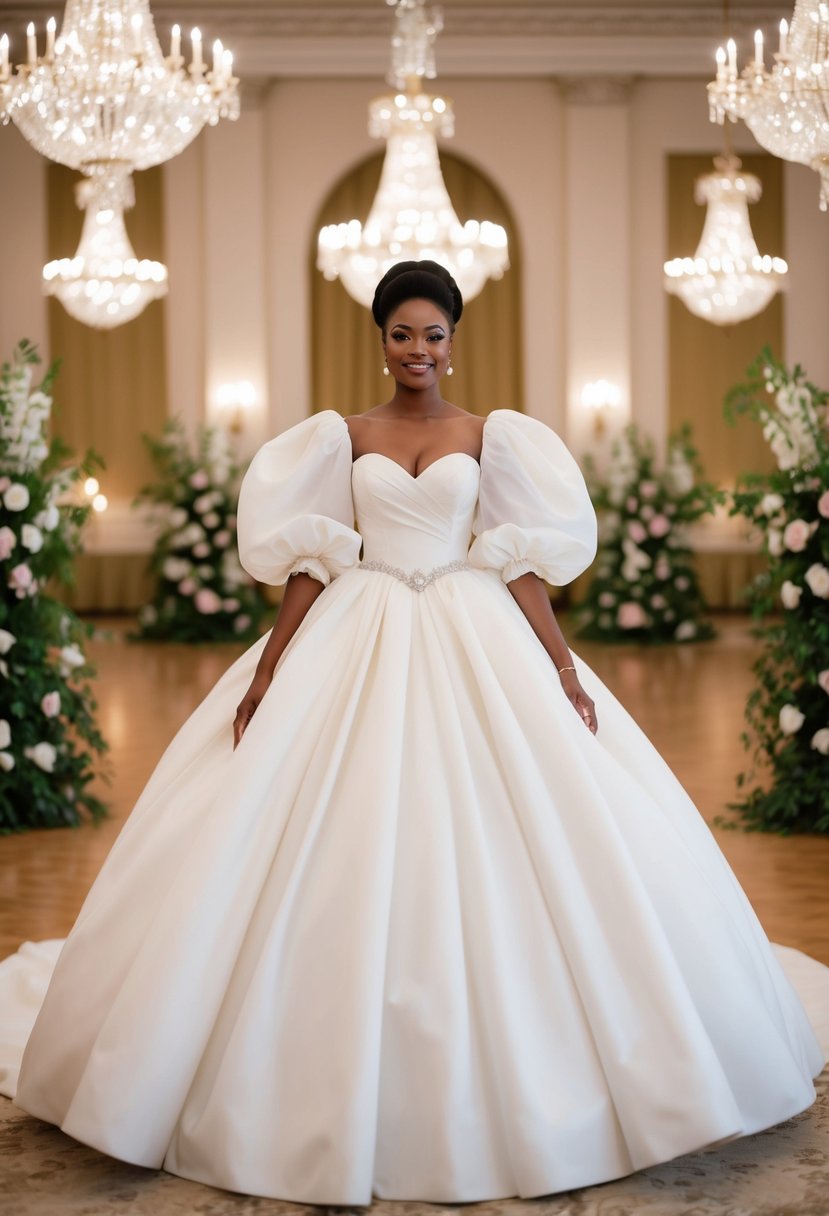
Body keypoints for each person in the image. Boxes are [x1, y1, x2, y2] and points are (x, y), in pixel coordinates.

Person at [0, 261, 824, 1205]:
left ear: (453, 339)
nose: (418, 351)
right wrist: (269, 668)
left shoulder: (493, 437)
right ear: (379, 338)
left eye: (433, 334)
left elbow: (519, 569)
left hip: (478, 638)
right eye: (402, 333)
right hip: (356, 635)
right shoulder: (340, 438)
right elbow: (310, 564)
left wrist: (560, 668)